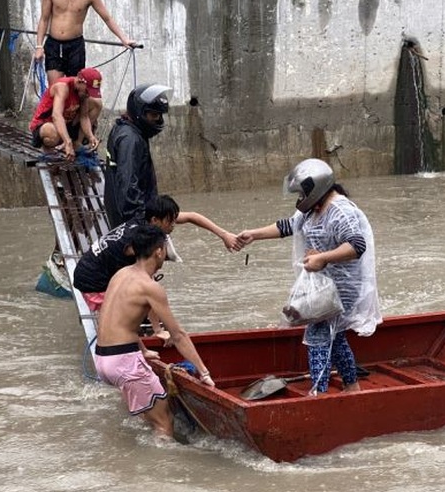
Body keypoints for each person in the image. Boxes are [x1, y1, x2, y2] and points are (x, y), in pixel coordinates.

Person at [235, 158, 381, 395]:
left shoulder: (340, 211)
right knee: (333, 335)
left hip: (341, 287)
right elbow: (290, 225)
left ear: (317, 189)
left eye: (303, 192)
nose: (300, 198)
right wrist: (254, 234)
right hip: (322, 285)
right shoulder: (313, 208)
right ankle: (352, 386)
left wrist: (323, 257)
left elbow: (356, 246)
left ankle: (318, 394)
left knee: (317, 336)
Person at [94, 223, 214, 439]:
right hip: (123, 363)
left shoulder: (120, 274)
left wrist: (143, 350)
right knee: (164, 422)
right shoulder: (150, 287)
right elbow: (177, 335)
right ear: (159, 251)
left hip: (103, 359)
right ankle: (161, 468)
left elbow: (119, 321)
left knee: (147, 413)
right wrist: (204, 373)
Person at [73, 194, 238, 313]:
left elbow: (192, 217)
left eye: (174, 220)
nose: (173, 225)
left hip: (89, 268)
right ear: (155, 221)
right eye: (169, 222)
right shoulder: (138, 241)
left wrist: (223, 235)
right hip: (92, 283)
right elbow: (144, 279)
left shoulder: (146, 218)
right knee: (143, 299)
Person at [33, 0, 136, 87]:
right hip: (54, 45)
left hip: (75, 46)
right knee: (56, 89)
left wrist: (124, 38)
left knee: (76, 88)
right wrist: (39, 46)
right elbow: (44, 19)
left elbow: (107, 18)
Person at [104, 83, 171, 227]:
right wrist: (140, 223)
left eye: (159, 115)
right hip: (131, 221)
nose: (157, 119)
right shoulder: (130, 139)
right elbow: (128, 184)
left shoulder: (126, 129)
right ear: (139, 112)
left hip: (129, 216)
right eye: (153, 115)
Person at [28, 67, 102, 162]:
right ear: (80, 81)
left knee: (97, 104)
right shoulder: (62, 87)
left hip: (66, 123)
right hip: (45, 124)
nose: (88, 94)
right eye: (87, 91)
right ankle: (49, 147)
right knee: (52, 132)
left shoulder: (82, 93)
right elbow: (56, 116)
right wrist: (67, 142)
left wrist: (91, 136)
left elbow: (84, 116)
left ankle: (77, 143)